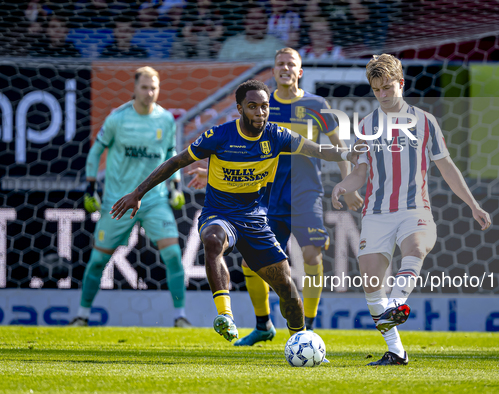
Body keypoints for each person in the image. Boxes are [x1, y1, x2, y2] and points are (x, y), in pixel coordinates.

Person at [110, 80, 357, 342]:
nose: (260, 113)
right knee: (212, 240)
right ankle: (225, 315)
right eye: (252, 107)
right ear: (239, 108)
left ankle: (301, 341)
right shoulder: (219, 135)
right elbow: (175, 162)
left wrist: (348, 154)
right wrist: (138, 193)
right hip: (220, 214)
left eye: (264, 107)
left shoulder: (277, 135)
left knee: (288, 290)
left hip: (255, 220)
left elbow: (318, 150)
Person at [189, 48, 363, 345]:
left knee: (312, 254)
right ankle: (263, 325)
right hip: (267, 195)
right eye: (280, 63)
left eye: (291, 64)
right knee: (250, 264)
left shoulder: (316, 104)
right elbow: (239, 153)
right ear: (273, 71)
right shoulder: (261, 106)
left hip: (306, 191)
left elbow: (336, 146)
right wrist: (212, 173)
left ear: (300, 71)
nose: (285, 68)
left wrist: (349, 186)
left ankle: (306, 327)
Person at [332, 54, 491, 366]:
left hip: (414, 207)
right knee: (370, 283)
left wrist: (473, 204)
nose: (383, 94)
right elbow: (360, 172)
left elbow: (447, 167)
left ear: (401, 84)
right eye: (377, 90)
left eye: (388, 87)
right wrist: (343, 185)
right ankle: (396, 351)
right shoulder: (367, 125)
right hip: (376, 212)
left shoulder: (425, 121)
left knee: (416, 247)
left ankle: (397, 303)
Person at [69, 66, 190, 328]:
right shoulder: (117, 118)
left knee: (172, 255)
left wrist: (176, 186)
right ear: (134, 89)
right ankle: (82, 315)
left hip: (155, 199)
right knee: (99, 259)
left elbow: (171, 153)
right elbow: (96, 151)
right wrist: (91, 187)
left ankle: (180, 317)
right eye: (145, 87)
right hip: (118, 200)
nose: (149, 92)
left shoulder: (166, 119)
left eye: (154, 88)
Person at [217, 4, 284, 61]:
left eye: (260, 19)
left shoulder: (276, 45)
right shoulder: (231, 44)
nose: (256, 23)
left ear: (266, 23)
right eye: (252, 19)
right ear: (244, 22)